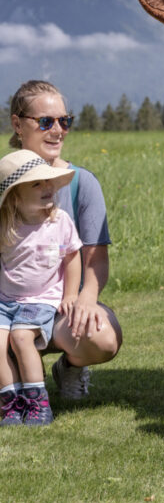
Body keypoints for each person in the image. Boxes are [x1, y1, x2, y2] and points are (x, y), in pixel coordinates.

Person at [9, 81, 122, 399]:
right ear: (18, 124)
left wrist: (86, 299)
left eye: (64, 121)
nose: (57, 130)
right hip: (6, 305)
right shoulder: (4, 182)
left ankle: (69, 367)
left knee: (102, 338)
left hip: (61, 308)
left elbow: (95, 259)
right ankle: (17, 367)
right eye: (46, 122)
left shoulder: (82, 183)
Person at [0, 150, 82, 425]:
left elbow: (72, 257)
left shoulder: (59, 222)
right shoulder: (5, 225)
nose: (48, 188)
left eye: (49, 182)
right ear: (15, 195)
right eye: (36, 184)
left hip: (40, 299)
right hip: (4, 300)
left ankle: (37, 402)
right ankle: (10, 402)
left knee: (22, 338)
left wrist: (71, 294)